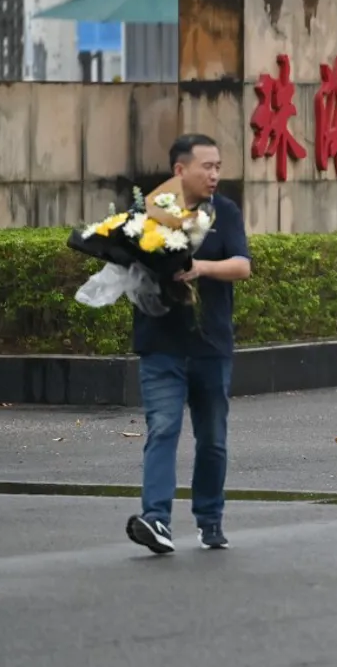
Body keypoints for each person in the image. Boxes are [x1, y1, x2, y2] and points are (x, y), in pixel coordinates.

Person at [126, 134, 252, 555]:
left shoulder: (225, 213)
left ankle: (210, 518)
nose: (215, 174)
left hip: (210, 344)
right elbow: (129, 258)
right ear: (180, 171)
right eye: (207, 167)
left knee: (212, 436)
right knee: (162, 428)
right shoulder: (149, 212)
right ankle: (156, 519)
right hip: (160, 343)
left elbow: (242, 265)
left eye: (218, 166)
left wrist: (199, 267)